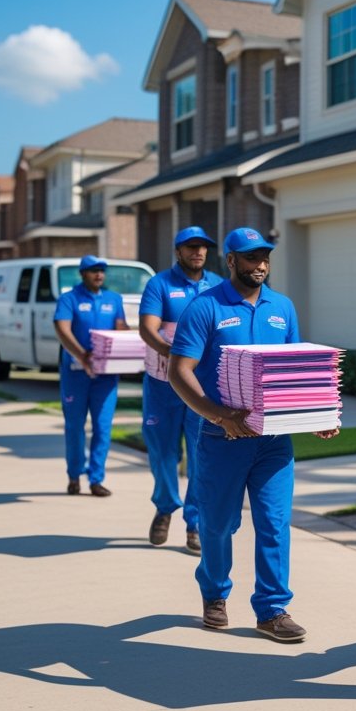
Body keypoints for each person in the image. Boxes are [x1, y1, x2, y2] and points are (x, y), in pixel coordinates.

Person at [169, 227, 338, 642]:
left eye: (264, 256)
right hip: (222, 438)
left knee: (275, 522)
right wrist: (220, 416)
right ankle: (214, 592)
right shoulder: (204, 308)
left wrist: (314, 414)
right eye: (250, 258)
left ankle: (272, 608)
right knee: (218, 524)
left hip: (274, 442)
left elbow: (296, 369)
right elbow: (179, 371)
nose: (259, 264)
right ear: (230, 261)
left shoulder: (283, 307)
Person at [139, 226, 224, 555]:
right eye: (191, 247)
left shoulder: (217, 285)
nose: (198, 252)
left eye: (203, 247)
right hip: (163, 384)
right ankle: (165, 505)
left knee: (201, 454)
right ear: (178, 251)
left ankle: (195, 523)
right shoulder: (159, 284)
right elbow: (148, 328)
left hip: (202, 387)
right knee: (162, 452)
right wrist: (175, 356)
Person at [53, 254, 130, 497]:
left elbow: (120, 328)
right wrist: (82, 355)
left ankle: (96, 479)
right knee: (75, 426)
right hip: (75, 374)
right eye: (93, 270)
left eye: (102, 270)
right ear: (82, 273)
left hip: (105, 376)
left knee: (103, 427)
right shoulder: (69, 299)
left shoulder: (113, 299)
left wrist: (134, 339)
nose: (99, 274)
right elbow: (62, 329)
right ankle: (74, 475)